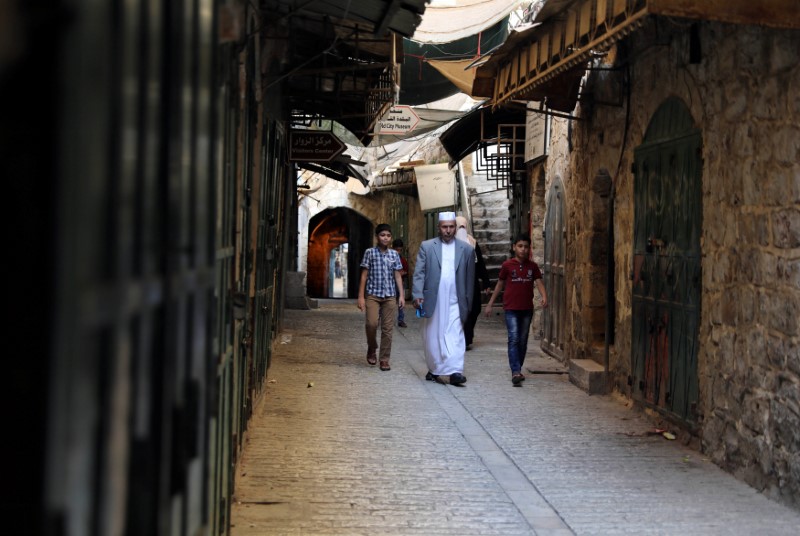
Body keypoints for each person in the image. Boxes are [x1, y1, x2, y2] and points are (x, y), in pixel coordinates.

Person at [412, 212, 475, 386]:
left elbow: (470, 279)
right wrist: (417, 294)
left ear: (455, 227)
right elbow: (419, 273)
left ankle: (455, 371)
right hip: (433, 299)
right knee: (433, 335)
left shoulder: (467, 249)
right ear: (438, 228)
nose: (448, 230)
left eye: (451, 227)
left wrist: (469, 302)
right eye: (444, 227)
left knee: (456, 334)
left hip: (457, 299)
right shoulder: (427, 246)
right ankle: (435, 369)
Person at [484, 233, 548, 386]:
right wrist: (490, 303)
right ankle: (515, 371)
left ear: (529, 249)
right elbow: (500, 284)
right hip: (511, 308)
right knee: (513, 338)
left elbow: (538, 282)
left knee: (523, 339)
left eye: (526, 247)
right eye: (520, 246)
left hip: (526, 308)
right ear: (514, 248)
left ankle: (518, 367)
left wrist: (544, 296)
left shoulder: (532, 267)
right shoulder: (507, 265)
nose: (523, 250)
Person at [358, 223, 405, 371]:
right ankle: (372, 347)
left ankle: (384, 359)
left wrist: (401, 295)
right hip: (373, 295)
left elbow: (397, 275)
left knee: (387, 329)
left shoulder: (394, 255)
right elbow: (364, 275)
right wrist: (361, 297)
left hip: (390, 296)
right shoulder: (370, 253)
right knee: (371, 324)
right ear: (377, 237)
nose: (385, 238)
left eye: (388, 235)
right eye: (382, 235)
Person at [455, 216, 491, 350]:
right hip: (455, 284)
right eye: (460, 226)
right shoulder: (449, 243)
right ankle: (460, 339)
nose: (462, 229)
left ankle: (467, 336)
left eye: (464, 226)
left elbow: (480, 264)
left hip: (472, 283)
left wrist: (486, 282)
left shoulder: (472, 242)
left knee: (475, 308)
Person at [392, 238, 410, 328]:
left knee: (401, 301)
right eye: (396, 250)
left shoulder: (402, 260)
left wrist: (402, 273)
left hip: (399, 282)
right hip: (390, 283)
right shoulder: (389, 258)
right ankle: (381, 318)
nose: (398, 252)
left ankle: (401, 319)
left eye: (399, 250)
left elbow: (406, 271)